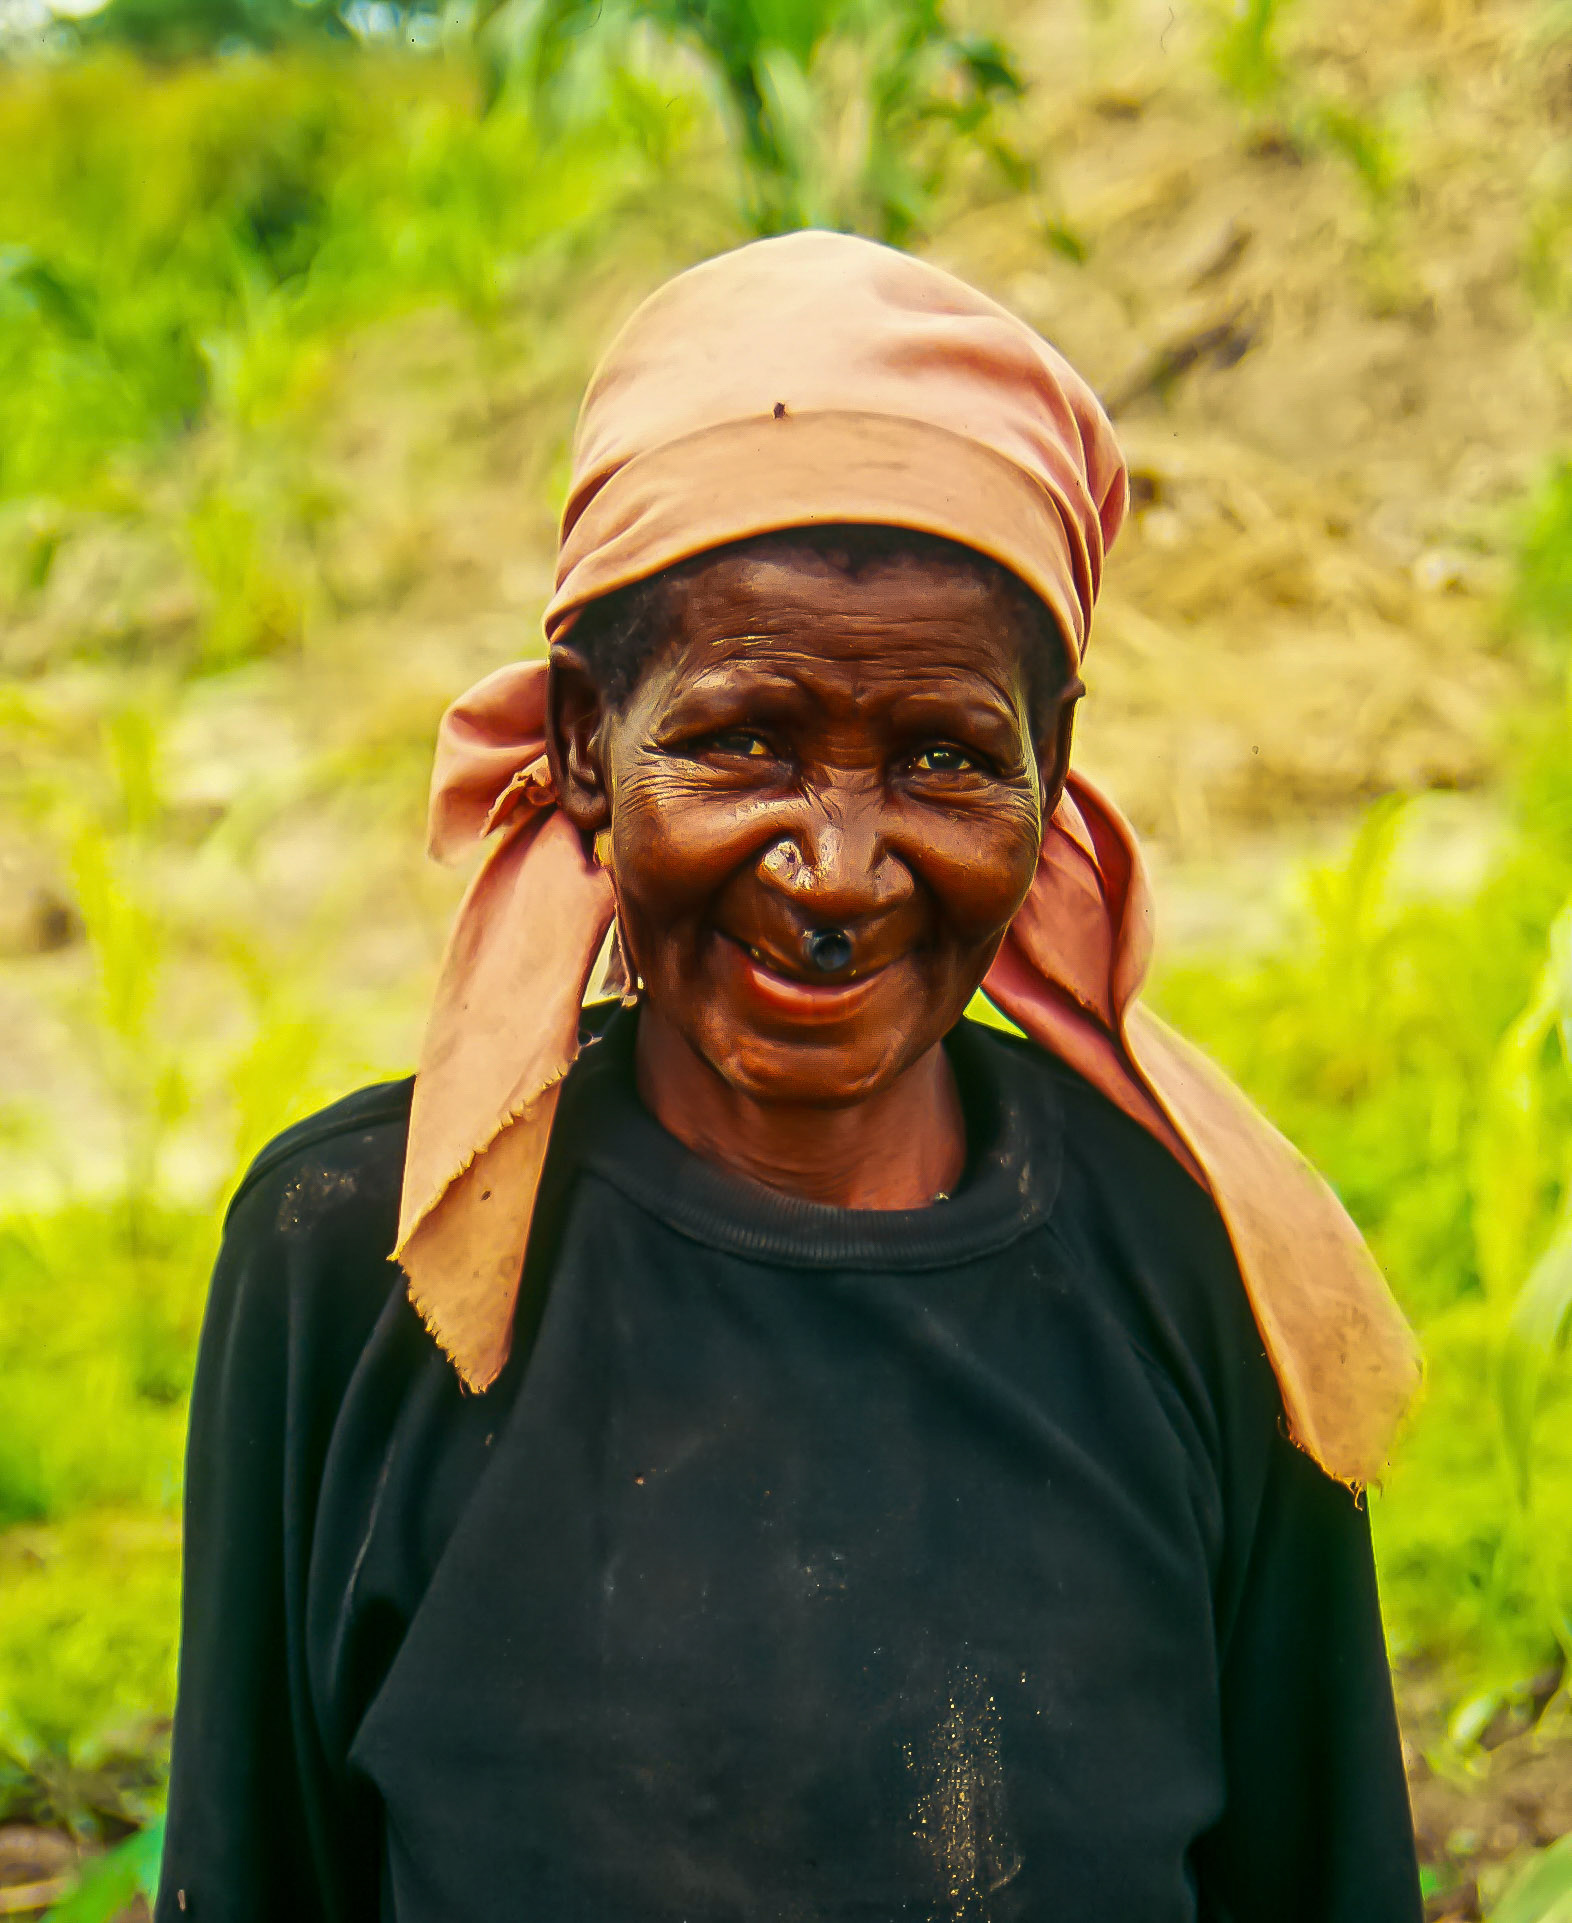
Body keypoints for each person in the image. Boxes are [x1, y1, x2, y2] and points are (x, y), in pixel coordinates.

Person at [155, 232, 1425, 1923]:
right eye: (744, 738)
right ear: (586, 745)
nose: (835, 871)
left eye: (945, 761)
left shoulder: (1206, 1281)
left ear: (1053, 784)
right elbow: (255, 1879)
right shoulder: (357, 1259)